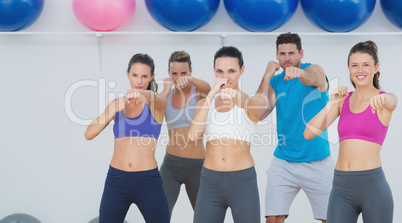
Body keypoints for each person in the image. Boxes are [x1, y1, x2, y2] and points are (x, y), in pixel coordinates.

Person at [304, 41, 397, 223]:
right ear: (349, 68)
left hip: (373, 188)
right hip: (341, 189)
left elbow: (393, 101)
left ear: (376, 67)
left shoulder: (383, 101)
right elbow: (308, 133)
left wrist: (385, 98)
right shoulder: (342, 101)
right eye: (355, 65)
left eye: (366, 65)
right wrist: (331, 103)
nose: (360, 70)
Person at [256, 32, 333, 223]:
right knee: (273, 219)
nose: (287, 58)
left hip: (318, 161)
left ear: (301, 53)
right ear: (276, 55)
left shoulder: (313, 69)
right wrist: (266, 77)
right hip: (284, 162)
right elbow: (258, 114)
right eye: (282, 54)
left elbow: (315, 77)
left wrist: (300, 73)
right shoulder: (275, 81)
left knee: (330, 218)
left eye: (292, 53)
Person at [84, 53, 170, 223]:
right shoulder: (118, 104)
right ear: (127, 74)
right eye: (135, 75)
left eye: (144, 76)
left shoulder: (156, 105)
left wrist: (143, 95)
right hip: (117, 181)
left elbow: (157, 98)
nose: (139, 81)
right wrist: (112, 110)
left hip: (148, 182)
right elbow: (89, 134)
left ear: (152, 77)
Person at [189, 46, 265, 223]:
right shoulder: (204, 105)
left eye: (231, 71)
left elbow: (254, 109)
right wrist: (212, 95)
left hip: (242, 182)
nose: (225, 77)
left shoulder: (250, 101)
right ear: (214, 72)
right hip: (210, 182)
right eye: (220, 72)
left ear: (242, 70)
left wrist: (235, 96)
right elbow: (193, 136)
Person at [160, 50, 211, 218]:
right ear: (169, 73)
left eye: (184, 73)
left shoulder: (198, 92)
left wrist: (190, 80)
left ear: (190, 72)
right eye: (174, 73)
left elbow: (209, 88)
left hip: (197, 166)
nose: (179, 77)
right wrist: (166, 88)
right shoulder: (165, 96)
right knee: (160, 215)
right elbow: (154, 106)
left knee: (204, 217)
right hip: (171, 166)